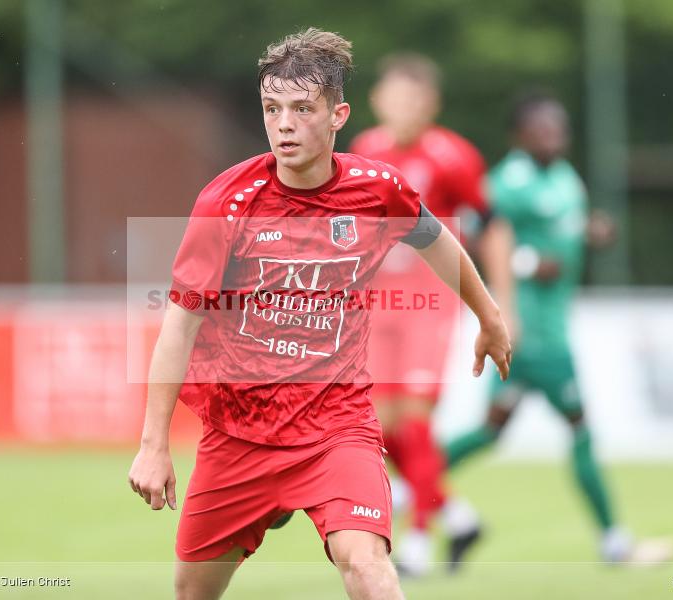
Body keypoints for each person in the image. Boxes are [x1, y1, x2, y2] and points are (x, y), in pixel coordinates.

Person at [127, 28, 512, 600]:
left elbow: (436, 240)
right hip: (239, 434)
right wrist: (154, 444)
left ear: (338, 115)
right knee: (192, 593)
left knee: (367, 564)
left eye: (302, 109)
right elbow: (179, 326)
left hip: (336, 426)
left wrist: (489, 315)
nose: (284, 123)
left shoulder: (378, 189)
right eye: (272, 109)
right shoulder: (225, 204)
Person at [442, 91, 671, 564]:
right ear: (520, 136)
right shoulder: (508, 181)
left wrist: (591, 232)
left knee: (490, 430)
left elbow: (562, 226)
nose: (555, 136)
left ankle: (406, 477)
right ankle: (614, 542)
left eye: (559, 128)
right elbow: (474, 232)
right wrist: (525, 263)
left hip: (535, 330)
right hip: (535, 332)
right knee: (581, 428)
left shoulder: (564, 178)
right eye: (543, 129)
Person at [349, 53, 514, 576]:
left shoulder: (452, 156)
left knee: (416, 420)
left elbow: (492, 225)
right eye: (394, 97)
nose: (402, 107)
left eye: (413, 98)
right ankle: (458, 517)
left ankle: (416, 540)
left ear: (430, 105)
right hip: (375, 303)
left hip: (429, 303)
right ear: (377, 101)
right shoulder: (364, 151)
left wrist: (500, 304)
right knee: (378, 426)